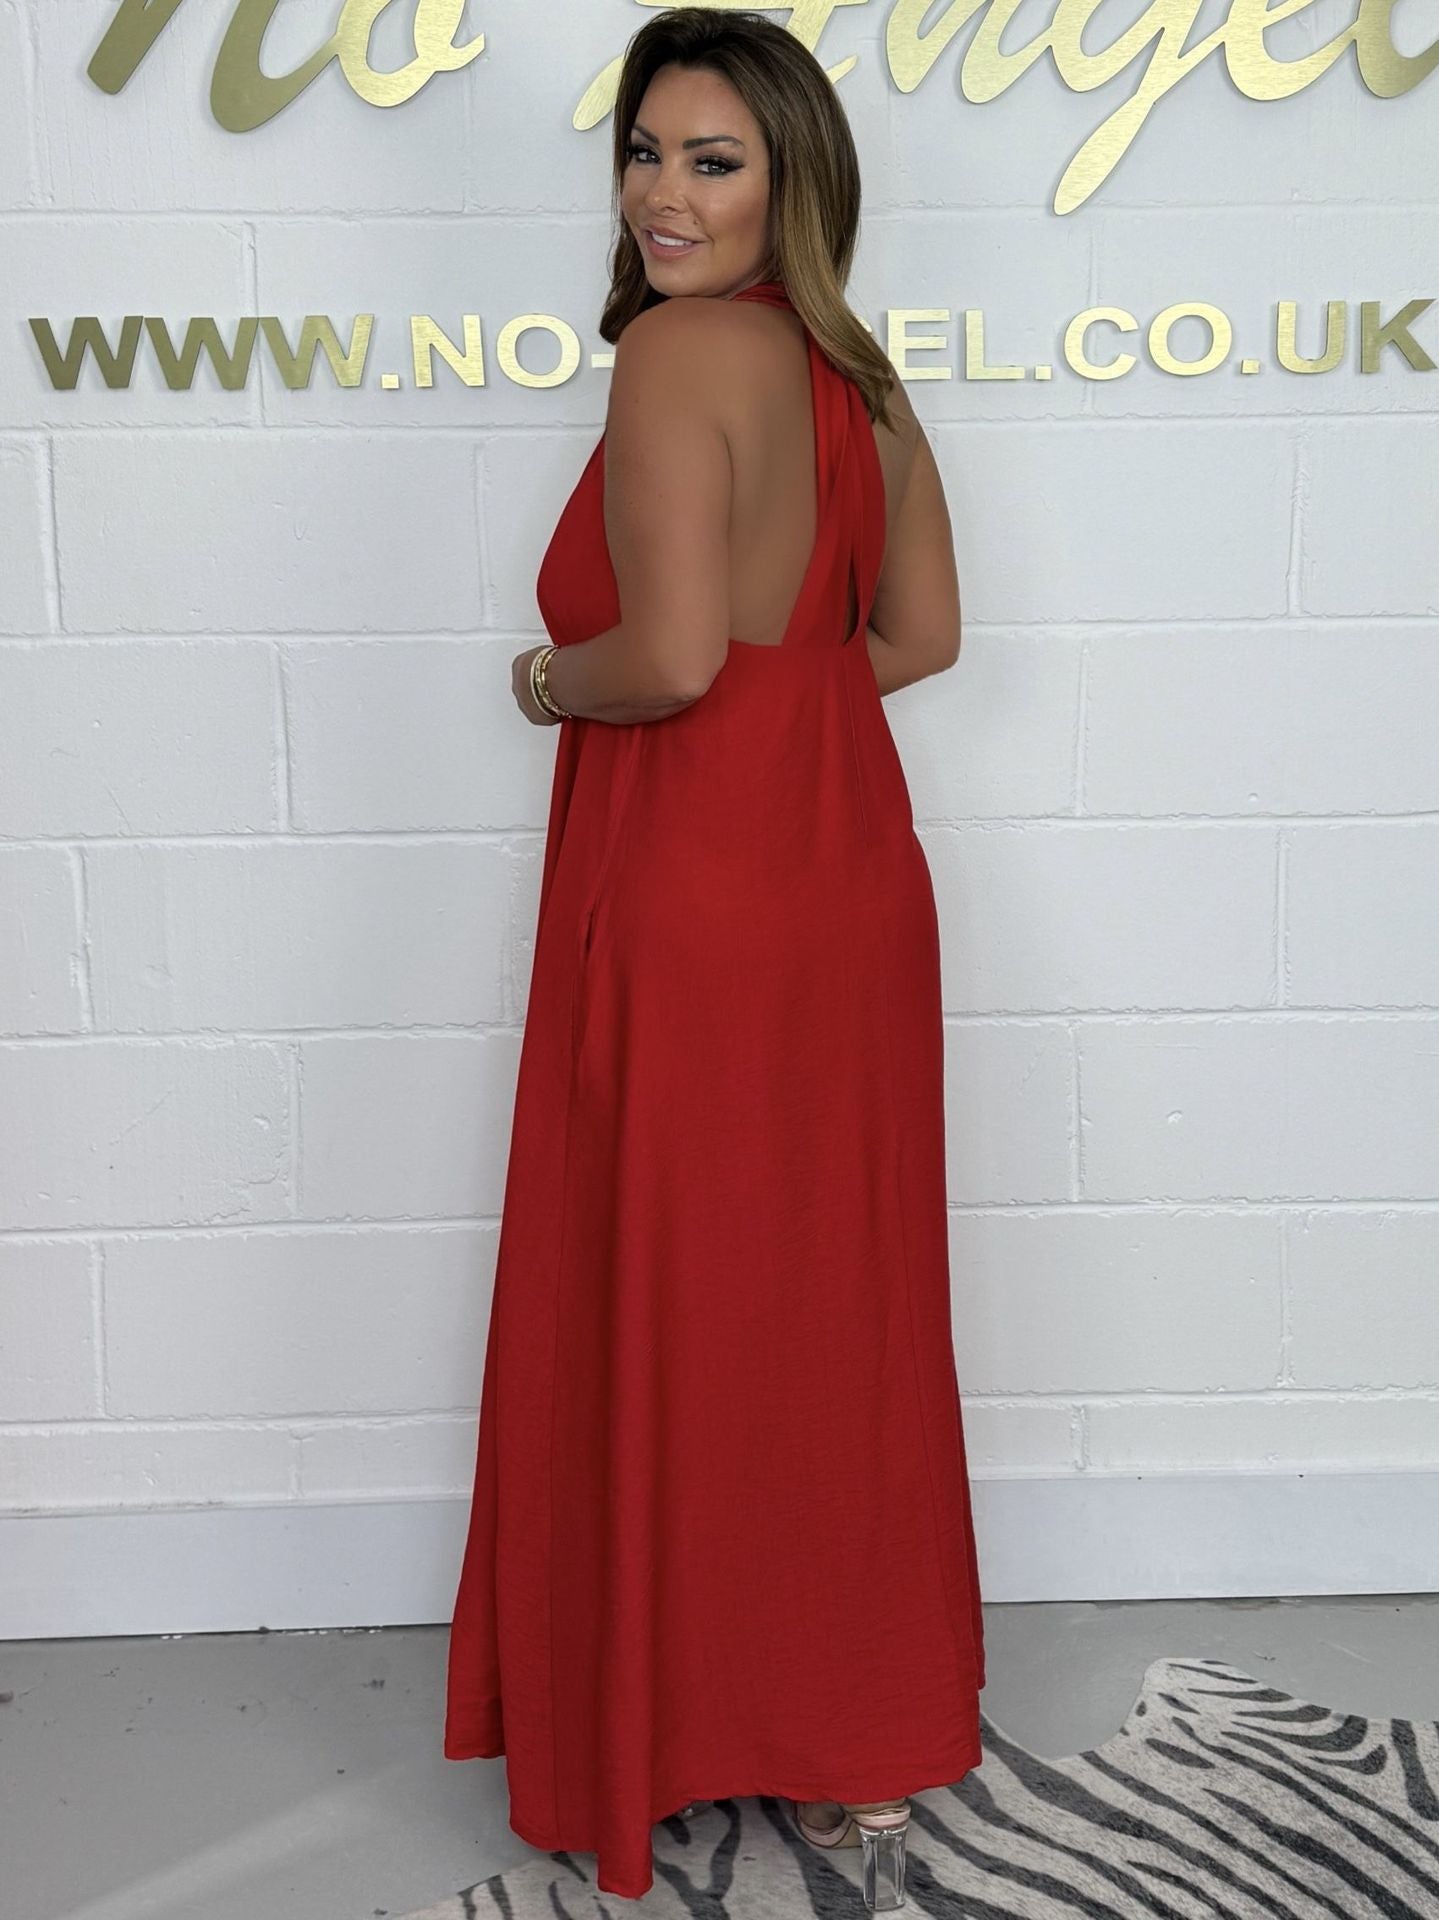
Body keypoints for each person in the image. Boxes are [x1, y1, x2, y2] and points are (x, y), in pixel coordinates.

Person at [444, 8, 985, 1909]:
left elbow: (667, 660)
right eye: (645, 152)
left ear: (790, 182)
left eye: (712, 161)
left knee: (673, 1297)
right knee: (829, 1302)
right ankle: (850, 1738)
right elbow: (918, 638)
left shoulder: (676, 358)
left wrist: (539, 681)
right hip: (844, 882)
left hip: (692, 891)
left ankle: (668, 1719)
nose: (662, 196)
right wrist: (791, 713)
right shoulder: (863, 379)